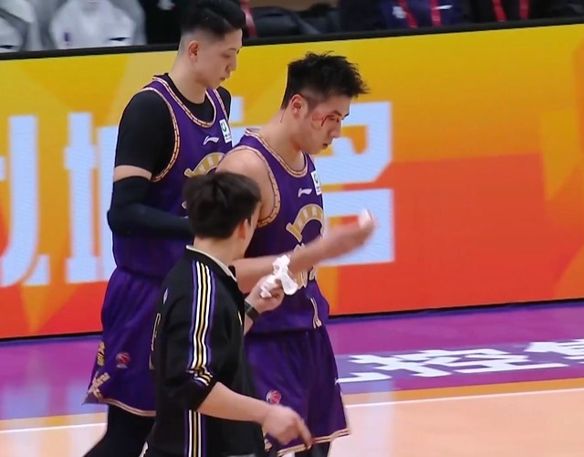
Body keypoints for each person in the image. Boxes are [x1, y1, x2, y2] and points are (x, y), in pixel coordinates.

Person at [84, 1, 246, 455]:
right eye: (226, 56)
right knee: (129, 432)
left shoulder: (220, 103)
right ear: (194, 50)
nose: (233, 67)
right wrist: (196, 228)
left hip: (195, 291)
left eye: (237, 55)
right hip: (147, 294)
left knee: (192, 431)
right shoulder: (150, 110)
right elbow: (123, 213)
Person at [217, 52, 374, 456]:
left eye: (343, 118)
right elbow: (217, 271)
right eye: (332, 117)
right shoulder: (245, 168)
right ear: (298, 106)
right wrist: (315, 253)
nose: (337, 130)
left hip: (309, 332)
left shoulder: (303, 157)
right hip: (261, 341)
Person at [145, 171, 312, 457]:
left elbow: (214, 345)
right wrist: (266, 413)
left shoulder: (195, 275)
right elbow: (192, 382)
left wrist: (253, 307)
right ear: (244, 226)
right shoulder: (201, 290)